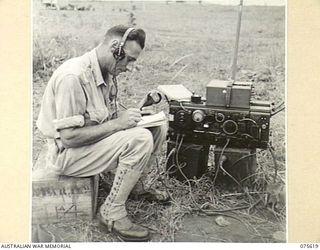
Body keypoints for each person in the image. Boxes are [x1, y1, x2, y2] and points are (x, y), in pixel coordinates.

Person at [36, 25, 168, 242]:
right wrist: (118, 125)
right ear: (114, 48)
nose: (130, 67)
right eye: (129, 59)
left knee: (156, 128)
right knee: (140, 138)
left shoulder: (104, 72)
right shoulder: (74, 77)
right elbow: (69, 138)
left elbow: (102, 120)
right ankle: (112, 212)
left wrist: (133, 118)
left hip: (85, 146)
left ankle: (135, 185)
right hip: (65, 155)